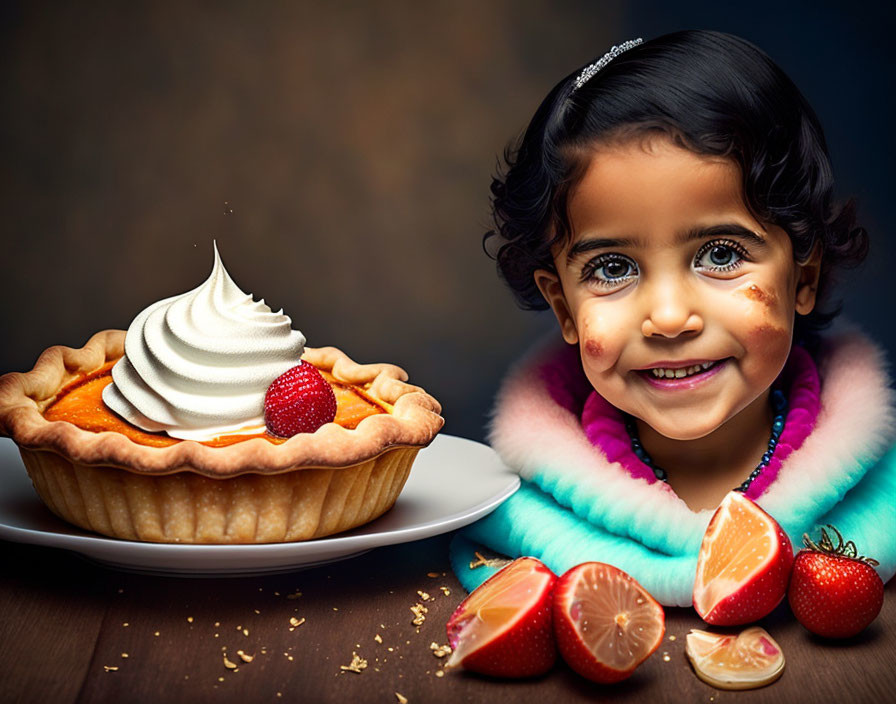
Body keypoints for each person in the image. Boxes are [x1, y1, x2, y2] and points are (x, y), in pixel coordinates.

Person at [451, 30, 895, 606]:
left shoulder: (882, 504)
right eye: (612, 268)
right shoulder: (515, 528)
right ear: (564, 306)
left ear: (802, 279)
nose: (667, 318)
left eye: (721, 255)